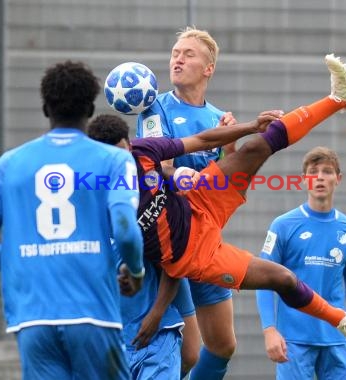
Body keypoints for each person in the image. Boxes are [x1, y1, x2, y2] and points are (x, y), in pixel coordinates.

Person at [90, 53, 346, 364]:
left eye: (127, 151)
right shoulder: (103, 199)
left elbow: (202, 139)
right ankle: (343, 321)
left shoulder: (143, 150)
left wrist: (250, 126)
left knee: (257, 145)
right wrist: (157, 312)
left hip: (200, 201)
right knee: (281, 279)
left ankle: (340, 98)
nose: (126, 160)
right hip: (196, 255)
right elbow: (167, 261)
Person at [0, 60, 145, 380]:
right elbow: (126, 231)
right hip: (93, 314)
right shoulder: (116, 160)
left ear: (46, 108)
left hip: (33, 319)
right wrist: (135, 270)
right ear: (90, 109)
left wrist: (23, 264)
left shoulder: (10, 164)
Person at [137, 26, 239, 380]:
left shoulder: (218, 118)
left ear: (208, 68)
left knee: (223, 346)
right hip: (171, 240)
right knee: (188, 352)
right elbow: (158, 166)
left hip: (206, 239)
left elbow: (227, 180)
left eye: (188, 54)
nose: (177, 59)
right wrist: (178, 175)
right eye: (175, 53)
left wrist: (230, 145)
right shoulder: (154, 109)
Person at [256, 146, 346, 380]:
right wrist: (269, 329)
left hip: (338, 337)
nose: (320, 177)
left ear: (338, 179)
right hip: (294, 340)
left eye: (327, 171)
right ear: (304, 180)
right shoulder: (283, 225)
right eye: (313, 171)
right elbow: (263, 280)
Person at [92, 114, 196, 380]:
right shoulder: (88, 206)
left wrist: (156, 314)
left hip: (156, 335)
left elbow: (174, 258)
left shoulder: (149, 195)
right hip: (110, 342)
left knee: (198, 351)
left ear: (130, 146)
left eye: (123, 152)